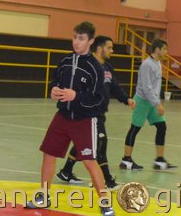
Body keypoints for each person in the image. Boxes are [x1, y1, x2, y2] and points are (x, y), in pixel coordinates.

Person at [26, 21, 115, 216]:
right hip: (63, 117)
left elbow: (99, 99)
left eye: (81, 38)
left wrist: (77, 96)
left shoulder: (95, 68)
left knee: (90, 161)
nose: (76, 42)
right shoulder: (65, 60)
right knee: (48, 154)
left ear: (90, 41)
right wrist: (53, 89)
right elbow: (56, 80)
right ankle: (44, 196)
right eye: (74, 37)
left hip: (84, 120)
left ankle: (105, 203)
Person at [56, 35, 135, 189]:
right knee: (100, 143)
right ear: (99, 49)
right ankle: (108, 180)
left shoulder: (107, 68)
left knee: (85, 143)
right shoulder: (87, 66)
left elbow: (114, 87)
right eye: (109, 47)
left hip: (99, 113)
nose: (112, 50)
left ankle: (66, 171)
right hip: (89, 113)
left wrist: (126, 99)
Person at [120, 38, 176, 171]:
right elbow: (147, 87)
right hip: (142, 102)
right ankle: (126, 160)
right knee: (135, 129)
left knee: (162, 127)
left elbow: (155, 87)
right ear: (157, 50)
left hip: (153, 102)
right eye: (164, 49)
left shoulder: (158, 63)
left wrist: (156, 101)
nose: (166, 52)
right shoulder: (147, 65)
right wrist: (157, 104)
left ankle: (159, 160)